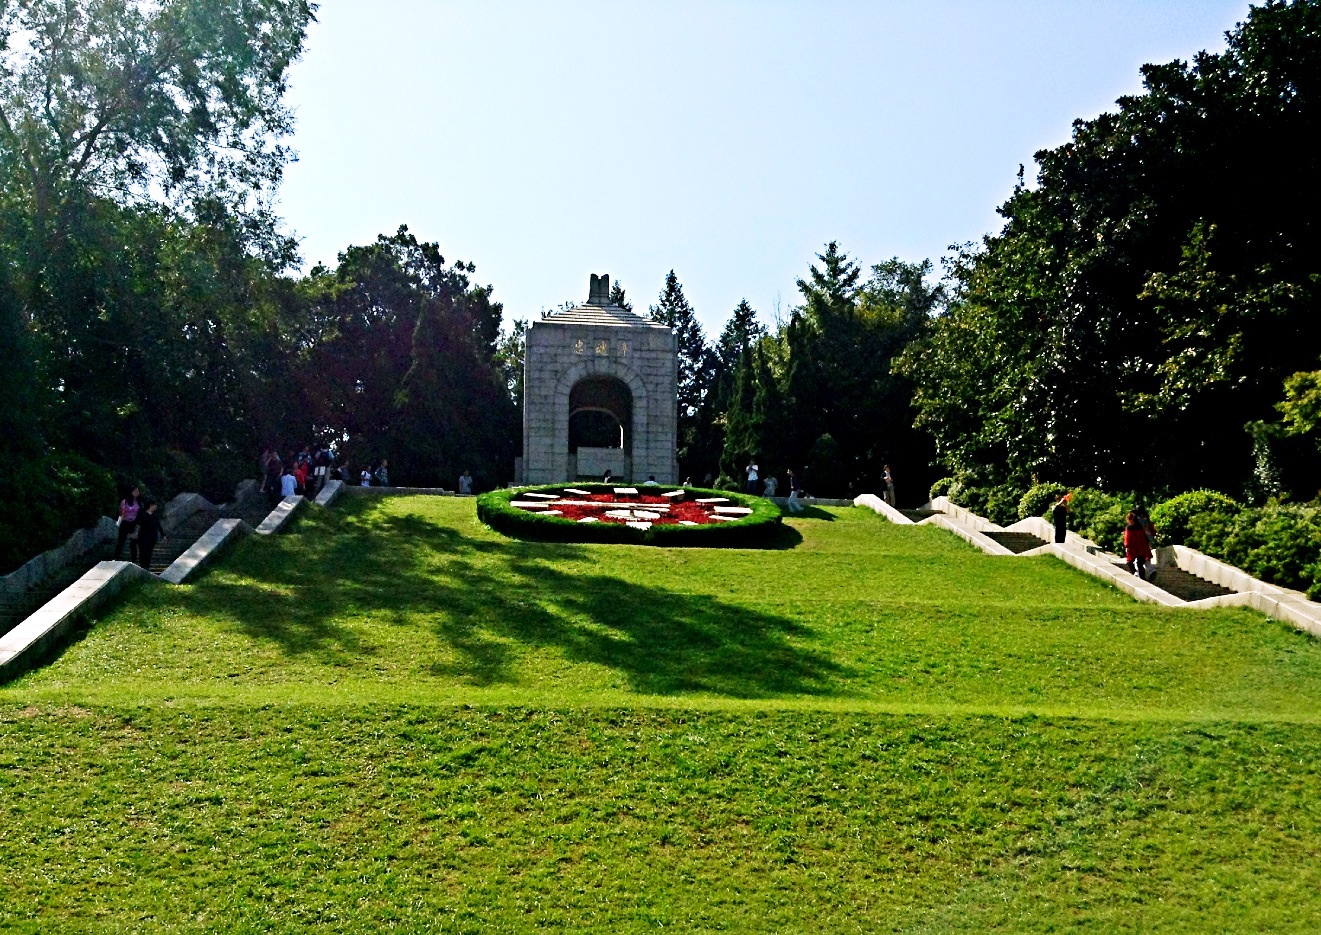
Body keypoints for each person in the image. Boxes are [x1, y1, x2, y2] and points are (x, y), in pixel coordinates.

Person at [135, 500, 166, 571]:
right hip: (143, 536)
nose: (156, 506)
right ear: (151, 505)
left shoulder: (155, 516)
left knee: (149, 552)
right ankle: (142, 566)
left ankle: (146, 567)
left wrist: (163, 535)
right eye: (155, 505)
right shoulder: (143, 514)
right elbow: (137, 523)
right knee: (143, 552)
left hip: (152, 537)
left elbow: (159, 526)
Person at [115, 486, 142, 561]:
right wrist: (119, 521)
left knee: (133, 543)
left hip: (134, 523)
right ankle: (116, 557)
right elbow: (121, 512)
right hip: (125, 522)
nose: (137, 493)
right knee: (121, 541)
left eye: (138, 491)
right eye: (135, 491)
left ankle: (134, 559)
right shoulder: (125, 501)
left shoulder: (139, 502)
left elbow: (140, 513)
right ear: (131, 492)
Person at [1124, 510, 1153, 580]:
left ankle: (1135, 573)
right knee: (1140, 563)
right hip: (1141, 547)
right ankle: (1142, 577)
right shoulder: (1140, 527)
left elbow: (1127, 538)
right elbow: (1143, 536)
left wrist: (1126, 546)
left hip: (1132, 548)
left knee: (1129, 562)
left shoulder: (1129, 528)